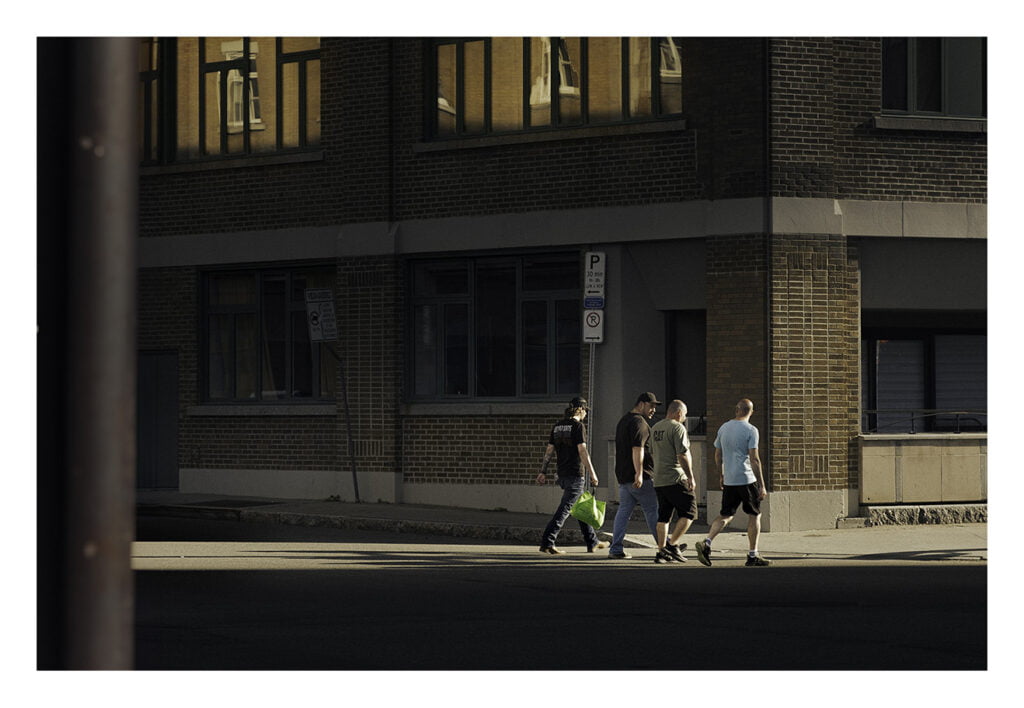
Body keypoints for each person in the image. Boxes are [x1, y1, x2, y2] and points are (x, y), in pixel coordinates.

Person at [695, 398, 771, 567]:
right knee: (755, 514)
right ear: (750, 412)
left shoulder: (724, 427)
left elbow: (717, 455)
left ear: (737, 410)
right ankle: (753, 555)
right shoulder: (751, 430)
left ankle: (707, 542)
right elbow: (755, 460)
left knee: (726, 515)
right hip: (746, 478)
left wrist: (721, 475)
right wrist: (762, 485)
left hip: (729, 479)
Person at [536, 397, 609, 555]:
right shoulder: (577, 426)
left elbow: (549, 451)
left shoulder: (557, 427)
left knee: (580, 507)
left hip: (562, 474)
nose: (585, 415)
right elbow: (582, 451)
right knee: (564, 510)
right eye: (585, 411)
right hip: (575, 474)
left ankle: (592, 542)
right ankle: (547, 542)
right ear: (581, 409)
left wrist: (543, 471)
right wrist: (593, 473)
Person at [607, 392, 662, 559]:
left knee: (623, 512)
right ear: (641, 404)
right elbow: (637, 449)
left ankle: (615, 549)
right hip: (640, 477)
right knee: (653, 511)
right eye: (651, 406)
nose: (653, 410)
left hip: (623, 475)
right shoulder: (640, 423)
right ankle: (665, 547)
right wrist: (639, 474)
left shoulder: (624, 420)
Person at [650, 399, 697, 563]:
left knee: (664, 516)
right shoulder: (678, 428)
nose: (684, 417)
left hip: (659, 478)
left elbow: (652, 452)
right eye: (684, 414)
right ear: (678, 413)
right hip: (676, 477)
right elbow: (682, 454)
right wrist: (690, 476)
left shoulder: (655, 428)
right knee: (690, 512)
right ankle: (672, 544)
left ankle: (661, 550)